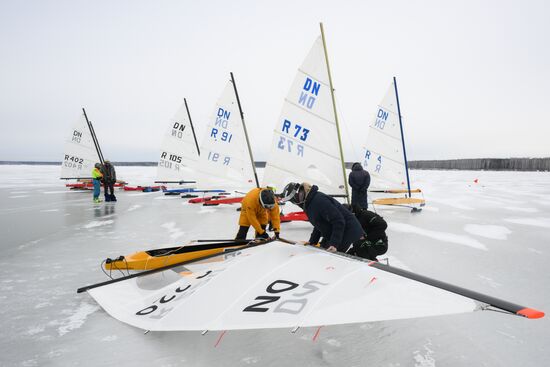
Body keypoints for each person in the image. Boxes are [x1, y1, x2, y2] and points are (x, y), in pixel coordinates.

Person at [281, 182, 363, 253]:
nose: (294, 203)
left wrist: (334, 244)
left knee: (331, 257)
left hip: (348, 230)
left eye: (292, 200)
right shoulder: (308, 203)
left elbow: (338, 221)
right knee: (322, 250)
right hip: (336, 231)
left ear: (297, 195)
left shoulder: (319, 201)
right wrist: (312, 242)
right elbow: (318, 224)